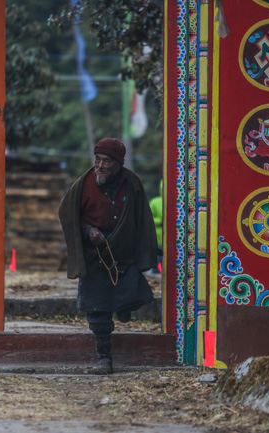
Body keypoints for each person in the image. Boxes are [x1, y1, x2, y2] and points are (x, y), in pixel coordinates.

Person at [58, 137, 158, 374]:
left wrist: (141, 249)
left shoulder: (132, 182)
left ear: (118, 163)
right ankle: (104, 358)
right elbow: (68, 214)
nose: (100, 166)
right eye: (98, 159)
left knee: (136, 294)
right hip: (95, 255)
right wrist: (88, 230)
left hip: (123, 253)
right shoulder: (83, 184)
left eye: (107, 161)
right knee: (98, 307)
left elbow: (141, 217)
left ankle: (122, 305)